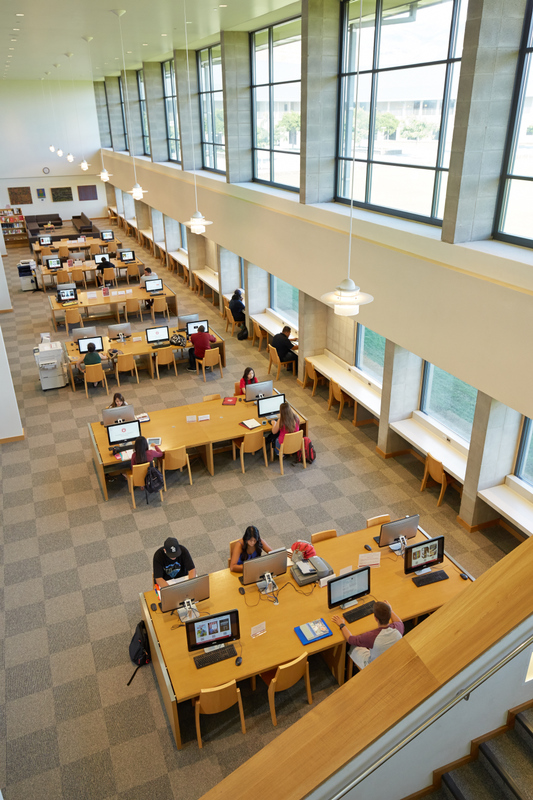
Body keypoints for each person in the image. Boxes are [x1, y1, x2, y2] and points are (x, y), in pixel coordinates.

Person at [332, 601, 404, 671]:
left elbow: (350, 639)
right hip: (393, 662)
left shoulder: (371, 636)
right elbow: (399, 622)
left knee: (353, 647)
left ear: (375, 618)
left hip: (375, 668)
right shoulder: (398, 628)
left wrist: (342, 624)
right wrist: (390, 610)